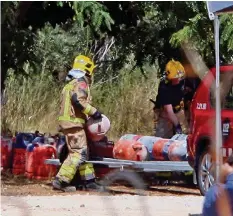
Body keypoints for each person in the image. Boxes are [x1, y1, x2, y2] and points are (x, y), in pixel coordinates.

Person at [52, 55, 103, 192]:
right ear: (87, 69)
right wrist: (94, 112)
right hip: (74, 123)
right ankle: (61, 180)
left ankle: (89, 181)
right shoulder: (81, 82)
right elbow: (79, 101)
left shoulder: (70, 84)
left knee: (83, 152)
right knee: (78, 153)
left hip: (70, 123)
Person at [153, 59, 189, 138]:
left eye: (180, 77)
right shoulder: (164, 87)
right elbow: (169, 111)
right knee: (162, 139)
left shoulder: (182, 81)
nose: (179, 79)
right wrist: (177, 126)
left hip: (178, 110)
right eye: (176, 78)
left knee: (185, 137)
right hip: (165, 115)